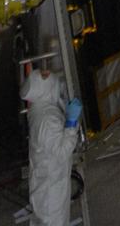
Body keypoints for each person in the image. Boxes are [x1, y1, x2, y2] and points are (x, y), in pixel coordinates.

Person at [20, 68, 82, 226]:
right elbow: (61, 152)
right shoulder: (47, 119)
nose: (53, 79)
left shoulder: (40, 109)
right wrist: (71, 123)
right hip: (51, 189)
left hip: (47, 182)